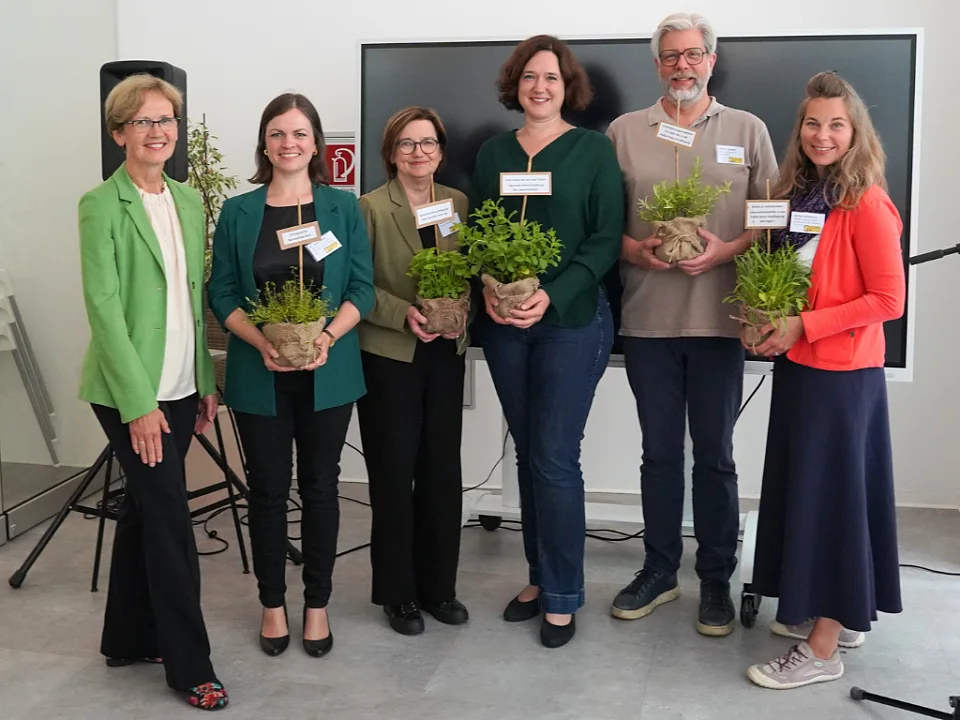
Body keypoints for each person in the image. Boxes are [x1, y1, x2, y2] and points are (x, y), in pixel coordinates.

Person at [605, 12, 778, 637]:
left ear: (711, 60)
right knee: (657, 455)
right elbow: (603, 225)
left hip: (721, 323)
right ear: (657, 64)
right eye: (671, 55)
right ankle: (657, 570)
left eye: (694, 54)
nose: (683, 64)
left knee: (716, 457)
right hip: (648, 319)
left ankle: (714, 578)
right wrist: (634, 250)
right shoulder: (624, 131)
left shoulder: (747, 130)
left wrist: (726, 251)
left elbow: (769, 214)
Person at [744, 71, 905, 690]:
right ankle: (836, 610)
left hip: (842, 377)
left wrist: (803, 324)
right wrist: (763, 319)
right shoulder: (800, 194)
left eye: (836, 123)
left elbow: (888, 300)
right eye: (813, 122)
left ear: (855, 131)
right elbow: (788, 279)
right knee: (812, 497)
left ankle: (824, 648)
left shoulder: (865, 201)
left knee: (836, 505)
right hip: (802, 370)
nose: (822, 134)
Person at [469, 34, 624, 648]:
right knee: (530, 451)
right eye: (530, 76)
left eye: (552, 78)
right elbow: (479, 232)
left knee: (555, 457)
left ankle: (562, 594)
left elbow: (605, 238)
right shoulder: (492, 154)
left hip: (573, 320)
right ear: (516, 84)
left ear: (569, 88)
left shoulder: (592, 150)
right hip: (506, 327)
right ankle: (539, 576)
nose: (540, 86)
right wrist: (486, 283)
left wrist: (552, 296)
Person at [77, 73, 227, 710]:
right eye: (144, 121)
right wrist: (139, 404)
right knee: (169, 518)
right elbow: (105, 312)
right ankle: (190, 664)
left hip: (181, 383)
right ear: (119, 134)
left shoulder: (189, 201)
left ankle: (127, 637)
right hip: (126, 390)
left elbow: (192, 304)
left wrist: (205, 383)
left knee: (144, 512)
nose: (159, 131)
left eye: (167, 120)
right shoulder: (99, 206)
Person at [207, 93, 374, 658]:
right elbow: (222, 292)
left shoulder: (341, 208)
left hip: (330, 372)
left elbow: (361, 289)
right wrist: (262, 343)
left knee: (322, 490)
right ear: (264, 143)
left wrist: (324, 338)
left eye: (300, 134)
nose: (289, 144)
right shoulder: (239, 212)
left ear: (317, 143)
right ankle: (273, 604)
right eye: (277, 134)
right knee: (269, 492)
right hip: (261, 372)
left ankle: (318, 604)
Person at [355, 107, 471, 635]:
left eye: (428, 143)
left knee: (443, 474)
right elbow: (357, 287)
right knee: (394, 476)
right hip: (390, 357)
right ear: (391, 153)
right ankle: (398, 595)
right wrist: (405, 314)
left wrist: (458, 315)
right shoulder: (370, 209)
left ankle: (439, 589)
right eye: (407, 144)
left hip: (445, 355)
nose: (418, 152)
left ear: (441, 151)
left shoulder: (457, 204)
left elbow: (466, 271)